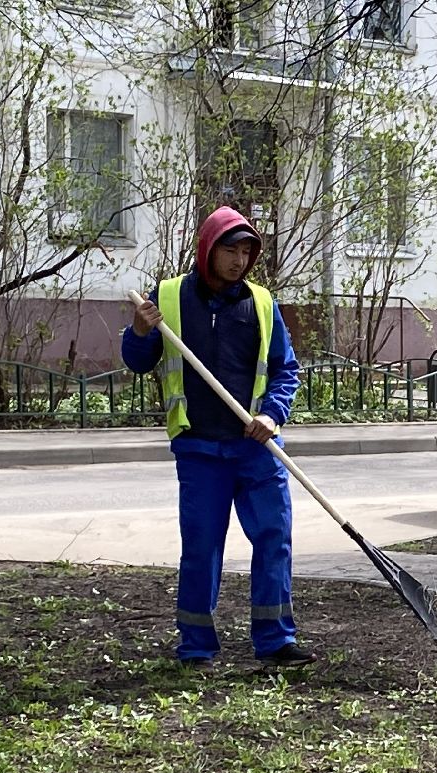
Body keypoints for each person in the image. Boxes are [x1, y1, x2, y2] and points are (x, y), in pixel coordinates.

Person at [123, 206, 316, 669]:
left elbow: (285, 370)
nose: (238, 260)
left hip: (257, 448)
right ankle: (196, 646)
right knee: (201, 547)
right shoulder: (169, 298)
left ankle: (275, 640)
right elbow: (138, 360)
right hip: (200, 449)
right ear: (208, 249)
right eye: (230, 249)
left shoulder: (262, 303)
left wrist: (271, 414)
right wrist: (140, 330)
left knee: (274, 538)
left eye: (247, 251)